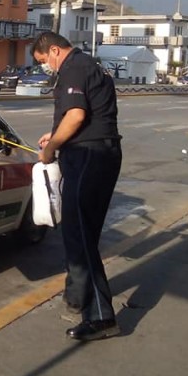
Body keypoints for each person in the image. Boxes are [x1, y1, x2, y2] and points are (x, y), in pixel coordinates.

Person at [32, 31, 122, 342]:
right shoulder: (89, 64)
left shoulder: (73, 68)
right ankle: (76, 296)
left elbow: (77, 114)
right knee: (85, 233)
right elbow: (86, 115)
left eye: (45, 62)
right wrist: (54, 132)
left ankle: (100, 316)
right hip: (102, 153)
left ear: (54, 50)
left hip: (88, 157)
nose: (48, 68)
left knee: (79, 236)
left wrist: (51, 147)